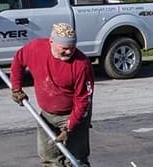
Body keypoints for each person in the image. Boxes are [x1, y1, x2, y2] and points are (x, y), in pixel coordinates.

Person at [10, 23, 95, 167]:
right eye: (65, 48)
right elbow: (18, 60)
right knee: (49, 159)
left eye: (72, 48)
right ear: (51, 42)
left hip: (74, 115)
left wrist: (69, 128)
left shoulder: (82, 65)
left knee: (75, 160)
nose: (69, 52)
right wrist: (16, 88)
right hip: (47, 115)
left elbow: (83, 101)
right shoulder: (35, 49)